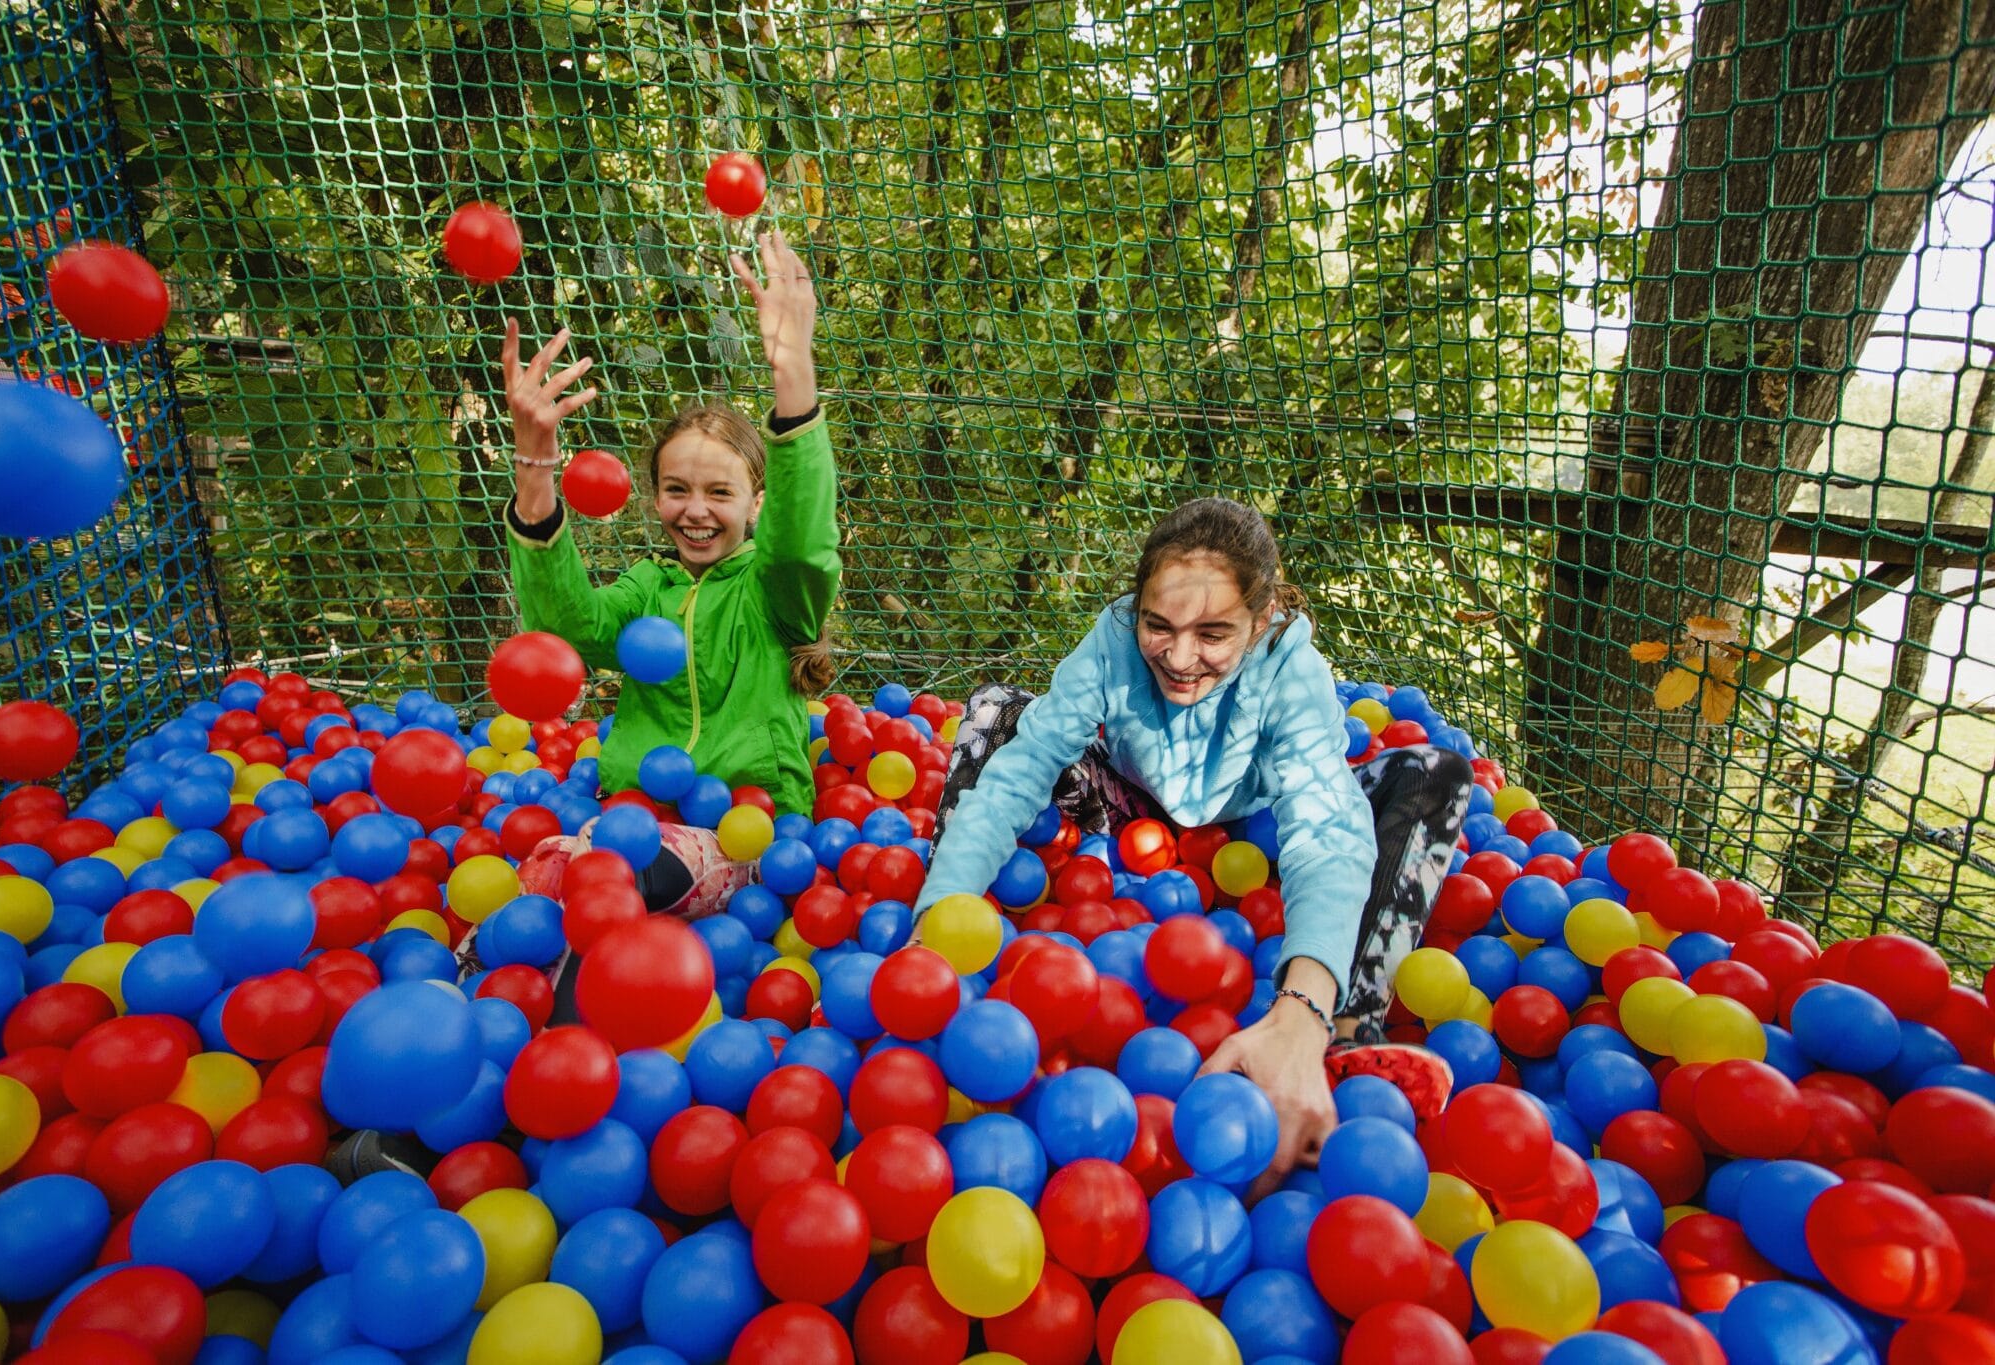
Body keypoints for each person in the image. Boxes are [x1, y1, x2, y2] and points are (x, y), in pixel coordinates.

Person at [915, 497, 1471, 1199]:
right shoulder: (1112, 642)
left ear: (1260, 618)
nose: (1180, 657)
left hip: (1251, 829)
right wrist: (933, 935)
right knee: (996, 709)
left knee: (1438, 774)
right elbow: (1025, 767)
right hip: (1127, 812)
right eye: (1159, 625)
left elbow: (1324, 825)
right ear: (1136, 607)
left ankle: (1345, 1026)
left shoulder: (1288, 666)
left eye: (1213, 632)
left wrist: (1301, 1008)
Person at [500, 227, 838, 822]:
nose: (696, 510)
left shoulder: (774, 593)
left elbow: (800, 547)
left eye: (720, 493)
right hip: (634, 811)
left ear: (757, 503)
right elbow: (567, 628)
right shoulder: (647, 587)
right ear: (655, 499)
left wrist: (793, 372)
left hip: (751, 820)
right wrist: (534, 467)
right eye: (676, 490)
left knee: (642, 877)